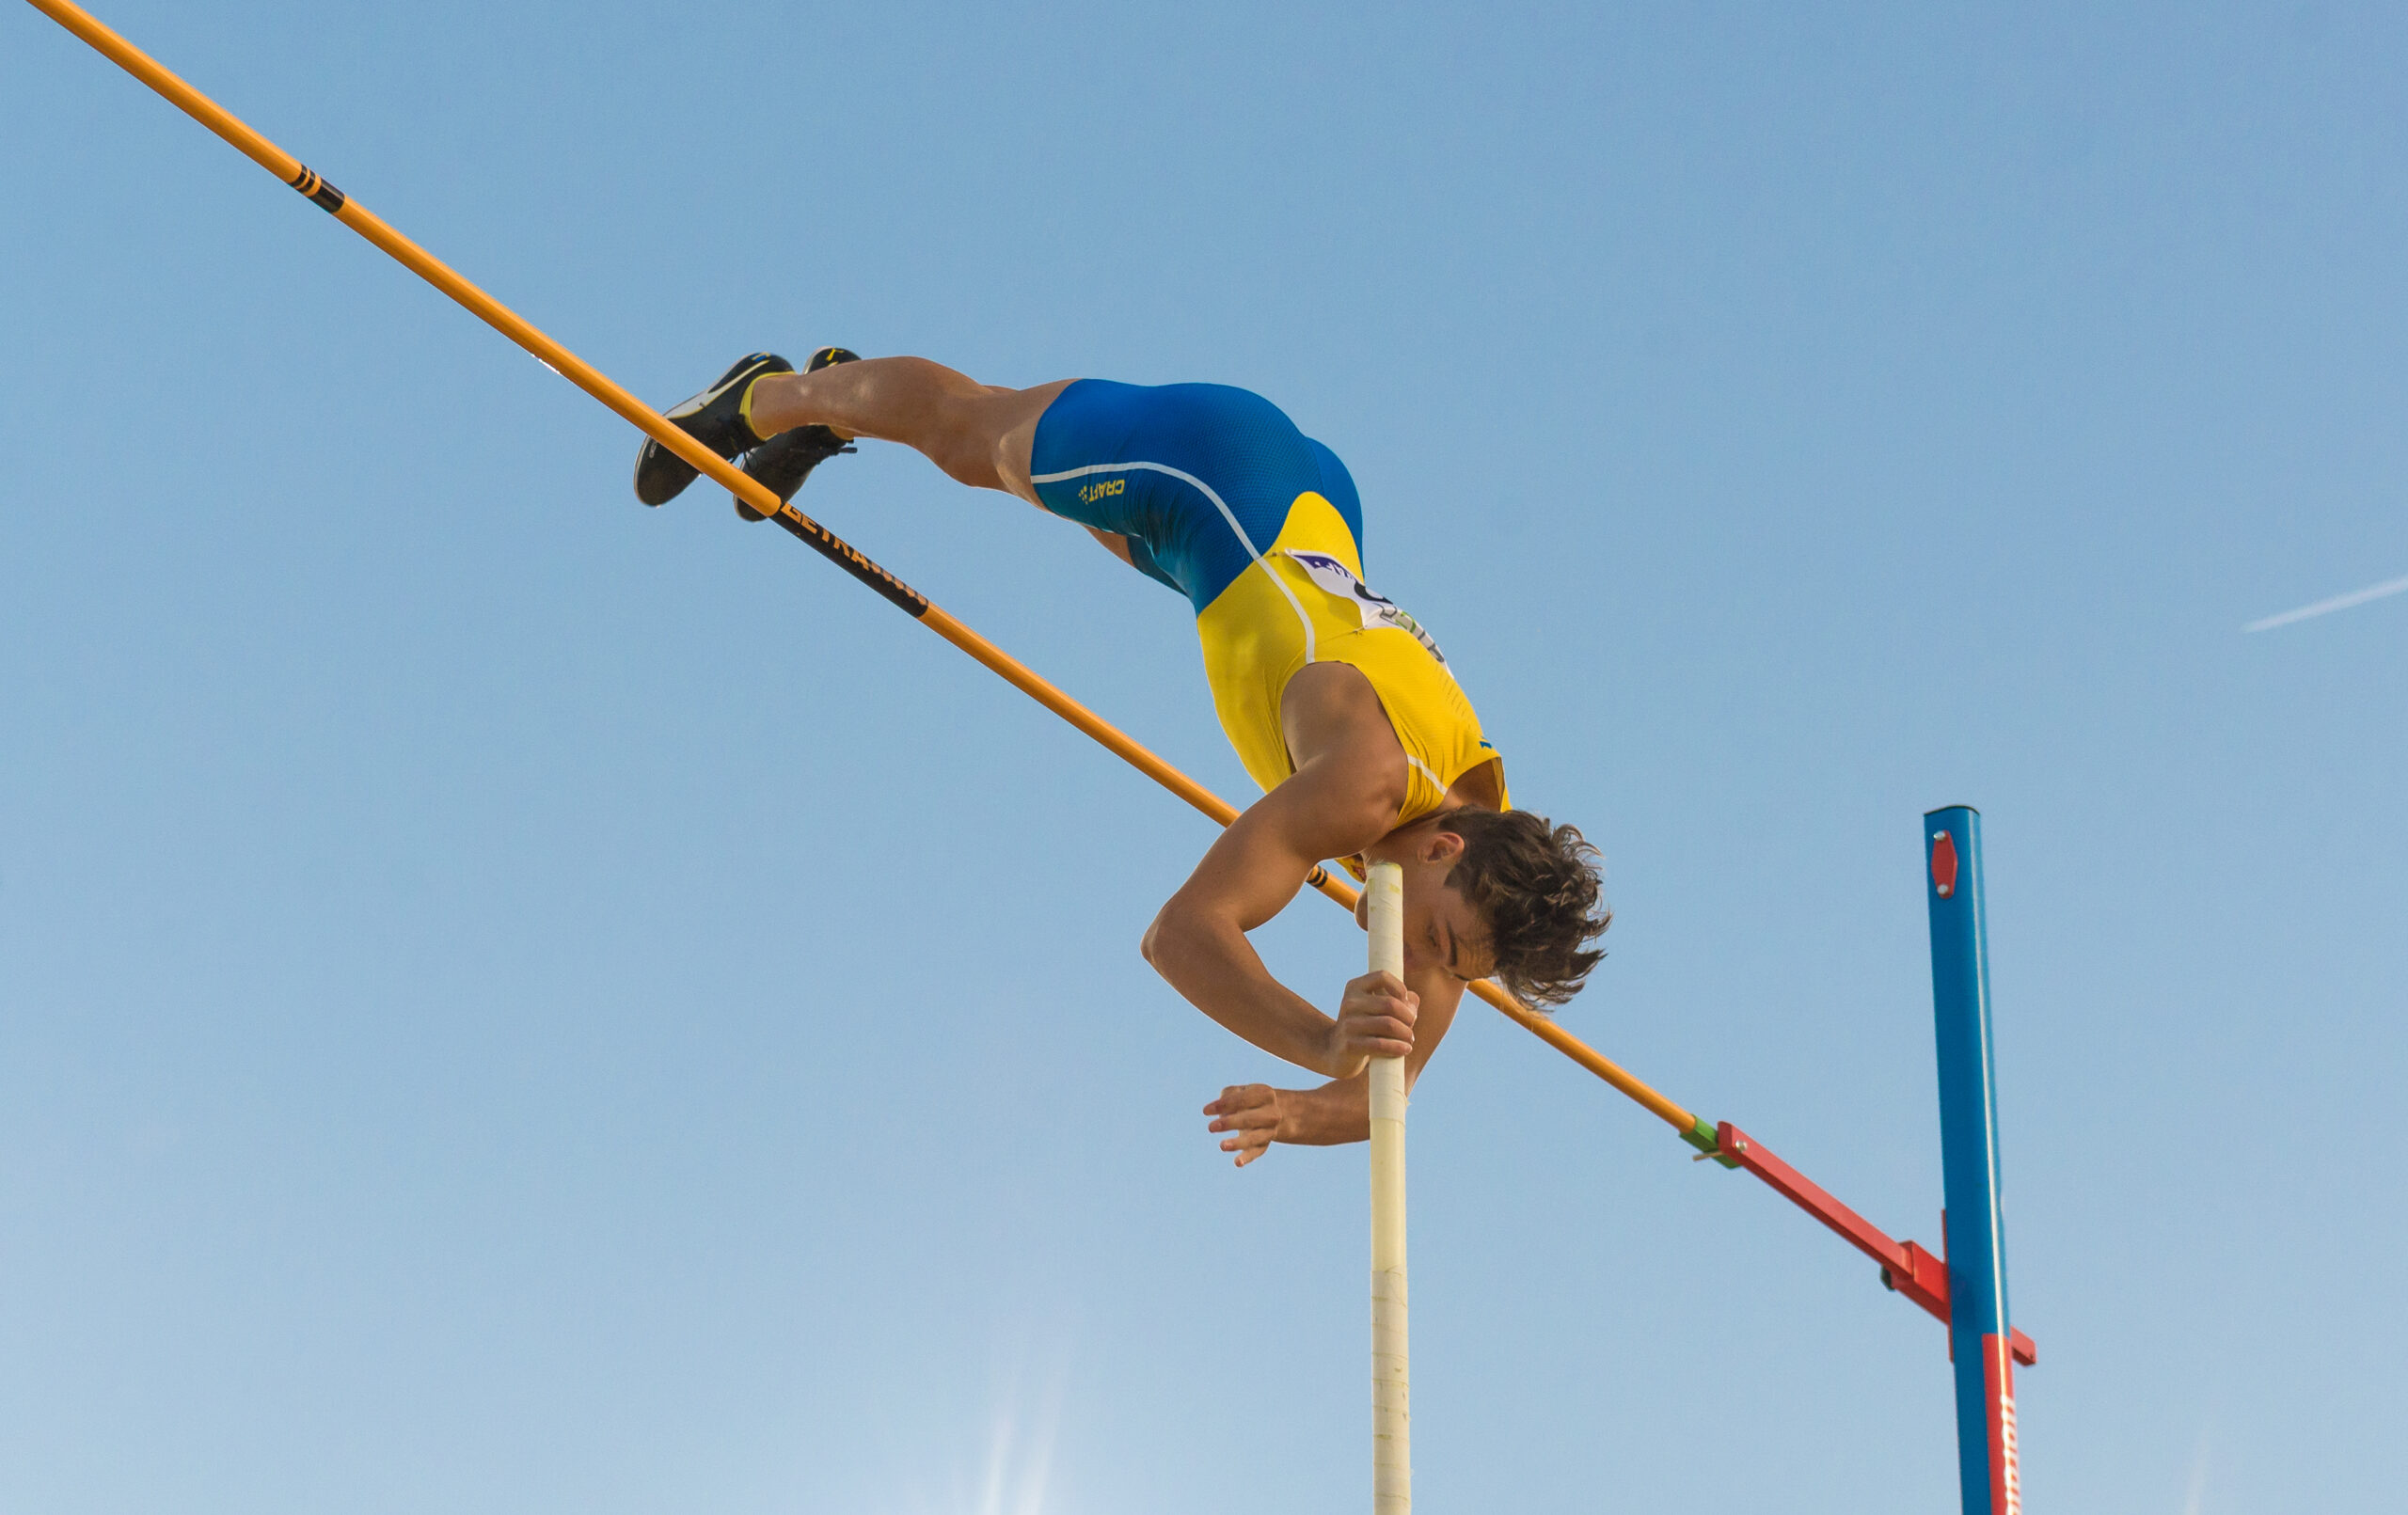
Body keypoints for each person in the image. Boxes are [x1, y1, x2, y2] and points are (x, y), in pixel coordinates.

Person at [633, 350, 1610, 1165]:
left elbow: (1378, 1098)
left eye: (1449, 967)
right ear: (1443, 854)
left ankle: (840, 400)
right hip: (1211, 465)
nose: (1415, 968)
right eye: (1431, 947)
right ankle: (765, 394)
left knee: (1048, 479)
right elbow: (1183, 935)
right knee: (969, 437)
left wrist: (1302, 1106)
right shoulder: (1365, 789)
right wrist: (1320, 1039)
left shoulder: (1468, 878)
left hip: (1288, 523)